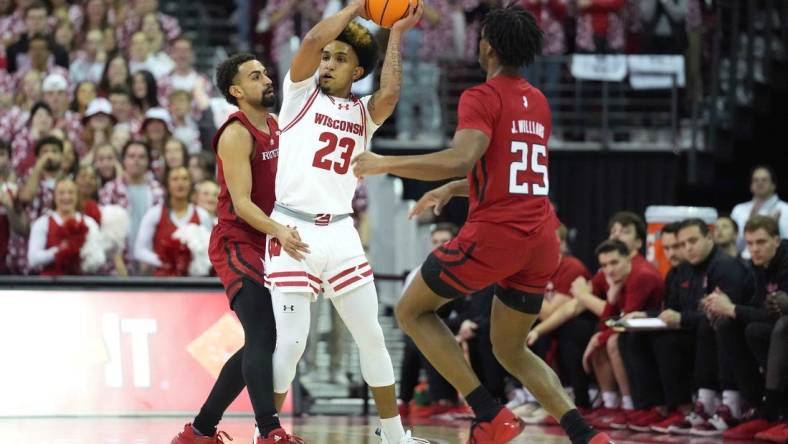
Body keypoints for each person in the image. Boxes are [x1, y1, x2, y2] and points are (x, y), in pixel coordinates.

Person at [351, 5, 611, 443]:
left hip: (499, 234)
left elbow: (462, 157)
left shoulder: (482, 96)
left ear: (486, 45)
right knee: (510, 348)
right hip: (542, 236)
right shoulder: (539, 101)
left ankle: (489, 414)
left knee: (411, 310)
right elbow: (508, 173)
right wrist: (453, 189)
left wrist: (384, 164)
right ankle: (587, 435)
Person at [262, 2, 425, 443]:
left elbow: (389, 95)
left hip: (340, 230)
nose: (328, 63)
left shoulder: (363, 113)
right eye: (327, 58)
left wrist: (397, 34)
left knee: (371, 336)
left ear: (357, 72)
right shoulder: (299, 93)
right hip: (292, 229)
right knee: (292, 343)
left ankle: (394, 436)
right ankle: (269, 434)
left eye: (340, 59)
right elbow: (313, 40)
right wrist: (357, 7)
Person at [170, 53, 307, 444]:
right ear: (236, 90)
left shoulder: (277, 126)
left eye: (265, 72)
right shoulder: (236, 132)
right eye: (255, 75)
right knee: (263, 332)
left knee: (262, 339)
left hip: (266, 237)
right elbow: (243, 204)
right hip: (236, 239)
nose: (266, 79)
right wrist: (280, 230)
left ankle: (200, 430)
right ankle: (269, 432)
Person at [134, 166, 213, 276]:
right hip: (163, 282)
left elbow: (210, 250)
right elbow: (139, 250)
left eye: (185, 179)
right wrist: (166, 262)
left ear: (191, 184)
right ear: (167, 184)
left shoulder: (202, 215)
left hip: (194, 282)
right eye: (175, 179)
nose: (180, 183)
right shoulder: (154, 213)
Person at [27, 178, 105, 275]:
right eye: (61, 193)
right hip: (50, 286)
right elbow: (33, 259)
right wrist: (59, 251)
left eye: (71, 192)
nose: (66, 197)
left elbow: (98, 258)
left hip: (81, 285)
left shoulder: (89, 223)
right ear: (54, 196)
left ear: (77, 196)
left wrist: (82, 253)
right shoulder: (42, 223)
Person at [731, 166, 788, 255]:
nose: (759, 183)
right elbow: (734, 246)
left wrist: (774, 228)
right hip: (743, 262)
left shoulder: (785, 209)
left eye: (764, 180)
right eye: (756, 180)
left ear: (773, 185)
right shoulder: (739, 209)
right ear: (751, 185)